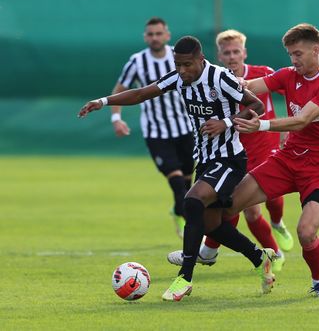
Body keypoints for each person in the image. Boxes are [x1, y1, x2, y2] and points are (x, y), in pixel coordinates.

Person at [78, 36, 278, 302]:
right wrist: (103, 102)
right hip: (205, 160)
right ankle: (258, 257)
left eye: (187, 65)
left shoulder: (221, 78)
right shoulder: (177, 78)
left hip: (229, 159)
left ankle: (185, 277)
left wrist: (226, 122)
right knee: (212, 225)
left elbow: (257, 105)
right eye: (178, 65)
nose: (182, 70)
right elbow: (140, 93)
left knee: (192, 202)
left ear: (200, 60)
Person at [226, 23, 319, 297]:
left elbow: (302, 120)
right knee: (229, 204)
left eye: (298, 54)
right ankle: (213, 254)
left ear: (315, 50)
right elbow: (250, 87)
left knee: (305, 232)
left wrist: (262, 126)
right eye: (290, 55)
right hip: (288, 159)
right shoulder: (288, 75)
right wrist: (223, 84)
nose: (293, 60)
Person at [167, 29, 293, 272]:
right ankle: (272, 256)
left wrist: (288, 126)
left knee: (273, 201)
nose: (233, 56)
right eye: (227, 52)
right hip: (236, 148)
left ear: (244, 53)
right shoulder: (215, 78)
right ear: (219, 56)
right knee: (245, 210)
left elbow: (290, 92)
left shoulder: (261, 74)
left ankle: (277, 224)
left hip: (265, 145)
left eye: (237, 51)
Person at [110, 17, 195, 239]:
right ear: (145, 37)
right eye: (150, 34)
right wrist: (116, 118)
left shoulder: (180, 57)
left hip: (186, 128)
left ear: (167, 35)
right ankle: (192, 232)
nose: (154, 38)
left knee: (188, 183)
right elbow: (120, 89)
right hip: (156, 133)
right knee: (177, 183)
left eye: (159, 33)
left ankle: (178, 211)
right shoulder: (137, 61)